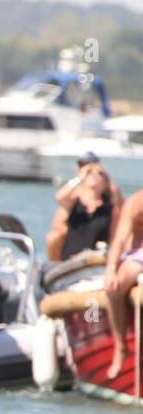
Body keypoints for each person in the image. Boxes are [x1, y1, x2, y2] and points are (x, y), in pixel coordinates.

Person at [46, 158, 121, 262]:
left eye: (100, 174)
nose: (94, 176)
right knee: (53, 236)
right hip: (71, 256)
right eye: (90, 174)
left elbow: (115, 233)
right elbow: (59, 197)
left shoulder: (109, 207)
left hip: (97, 256)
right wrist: (79, 178)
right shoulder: (74, 201)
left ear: (105, 182)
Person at [102, 188, 143, 379]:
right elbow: (119, 240)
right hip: (139, 257)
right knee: (114, 286)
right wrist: (111, 269)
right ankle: (121, 346)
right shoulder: (136, 201)